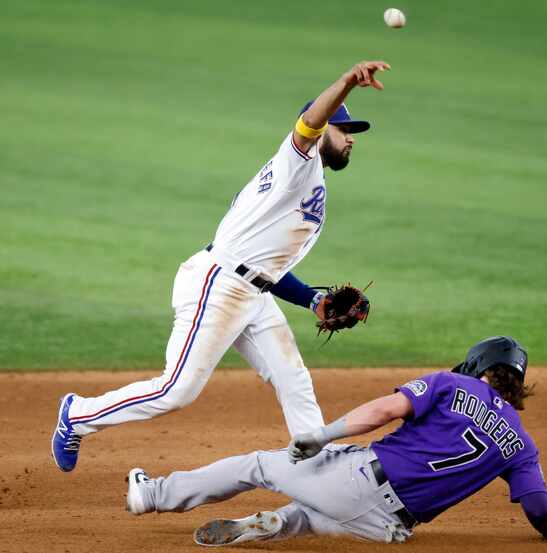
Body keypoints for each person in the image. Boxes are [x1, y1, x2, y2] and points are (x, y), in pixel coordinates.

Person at [51, 60, 392, 472]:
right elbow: (307, 123)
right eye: (344, 130)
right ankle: (78, 414)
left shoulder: (308, 179)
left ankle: (317, 470)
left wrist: (311, 299)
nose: (352, 140)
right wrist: (345, 83)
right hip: (219, 285)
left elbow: (264, 264)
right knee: (176, 390)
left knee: (293, 378)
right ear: (323, 132)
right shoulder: (295, 162)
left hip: (251, 290)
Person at [123, 336, 547, 546]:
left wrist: (322, 435)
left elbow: (382, 412)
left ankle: (152, 494)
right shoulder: (522, 445)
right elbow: (539, 508)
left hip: (360, 482)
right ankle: (268, 524)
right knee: (305, 519)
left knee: (258, 466)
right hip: (389, 529)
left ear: (479, 365)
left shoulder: (452, 384)